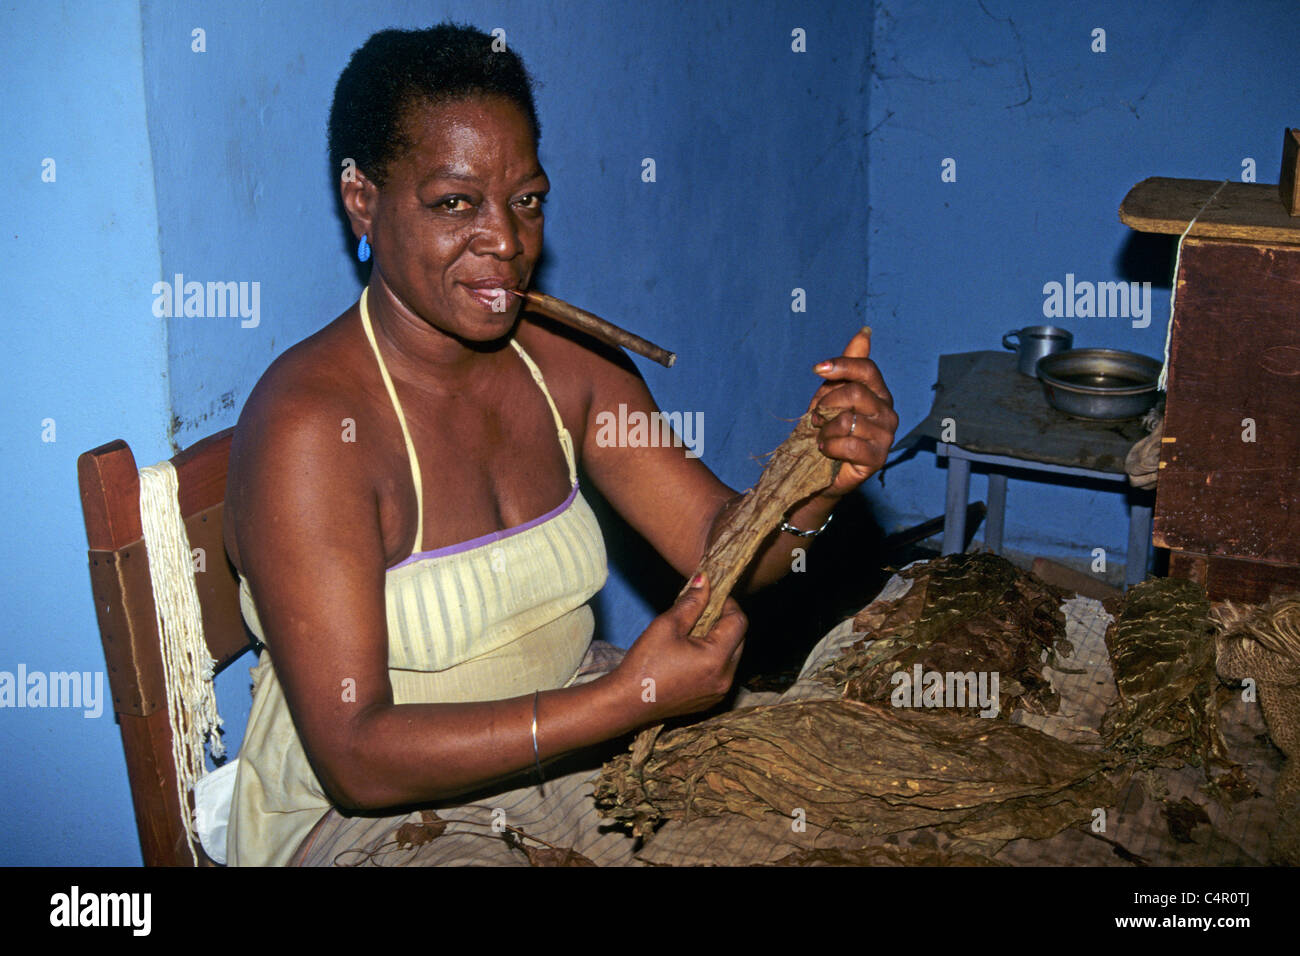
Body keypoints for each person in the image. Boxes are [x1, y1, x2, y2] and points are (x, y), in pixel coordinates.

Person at [222, 22, 897, 866]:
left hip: (568, 741)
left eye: (526, 200)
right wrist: (626, 700)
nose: (504, 240)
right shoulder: (312, 430)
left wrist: (815, 481)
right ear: (362, 197)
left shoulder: (567, 368)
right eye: (454, 203)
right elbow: (357, 756)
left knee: (842, 813)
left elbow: (724, 552)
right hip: (368, 817)